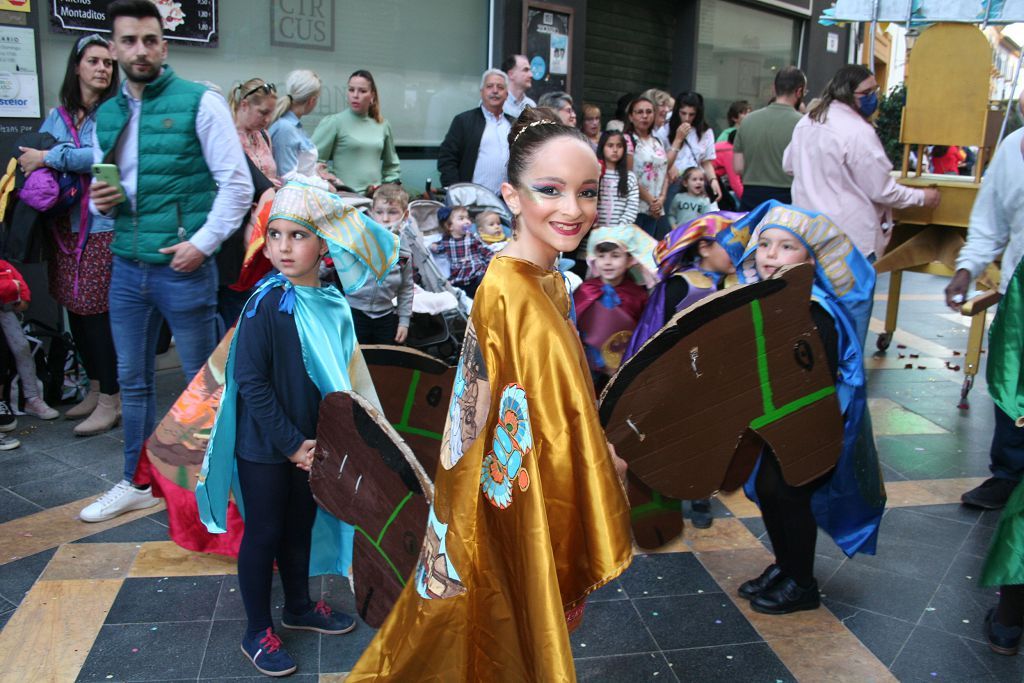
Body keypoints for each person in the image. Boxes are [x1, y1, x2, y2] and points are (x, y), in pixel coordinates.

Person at [347, 106, 631, 683]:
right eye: (550, 190)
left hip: (489, 482)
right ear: (512, 194)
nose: (572, 209)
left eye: (587, 191)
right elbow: (555, 419)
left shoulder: (532, 276)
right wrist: (603, 464)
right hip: (508, 492)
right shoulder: (520, 290)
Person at [195, 176, 400, 677]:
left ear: (323, 244)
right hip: (267, 446)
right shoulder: (268, 303)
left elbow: (342, 376)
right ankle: (256, 629)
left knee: (300, 527)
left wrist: (331, 441)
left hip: (312, 446)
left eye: (298, 235)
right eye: (276, 235)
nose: (283, 247)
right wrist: (291, 444)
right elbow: (250, 380)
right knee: (264, 532)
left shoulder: (330, 304)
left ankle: (300, 607)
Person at [80, 0, 254, 523]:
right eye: (128, 41)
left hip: (183, 268)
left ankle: (217, 493)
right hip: (127, 267)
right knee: (132, 381)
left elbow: (237, 184)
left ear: (164, 44)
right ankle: (136, 482)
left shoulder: (200, 102)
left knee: (203, 388)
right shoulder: (108, 114)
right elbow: (104, 189)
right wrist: (97, 201)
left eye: (149, 40)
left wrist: (202, 242)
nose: (139, 50)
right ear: (113, 49)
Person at [730, 201, 883, 615]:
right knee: (768, 490)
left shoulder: (816, 310)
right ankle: (785, 565)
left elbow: (818, 377)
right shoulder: (766, 299)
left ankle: (802, 583)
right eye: (764, 245)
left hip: (807, 427)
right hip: (775, 424)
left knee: (791, 496)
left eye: (785, 247)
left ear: (810, 260)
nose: (770, 255)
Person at [783, 64, 940, 345]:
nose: (874, 97)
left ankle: (817, 379)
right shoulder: (857, 131)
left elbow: (789, 165)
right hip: (850, 243)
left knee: (814, 318)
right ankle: (846, 383)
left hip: (807, 235)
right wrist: (922, 198)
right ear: (848, 93)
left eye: (875, 91)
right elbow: (882, 190)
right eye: (867, 92)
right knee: (850, 327)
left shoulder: (807, 122)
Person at [17, 33, 119, 433]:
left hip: (102, 225)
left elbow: (102, 156)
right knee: (75, 310)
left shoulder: (113, 113)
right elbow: (31, 155)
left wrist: (52, 157)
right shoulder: (58, 115)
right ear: (77, 66)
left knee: (97, 314)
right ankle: (95, 389)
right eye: (93, 61)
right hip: (64, 228)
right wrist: (44, 159)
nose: (101, 69)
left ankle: (112, 398)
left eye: (107, 63)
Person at [625, 214, 739, 528]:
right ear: (703, 247)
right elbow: (652, 332)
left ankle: (700, 491)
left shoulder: (739, 283)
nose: (740, 254)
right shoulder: (678, 286)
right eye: (731, 246)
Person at [946, 121, 1024, 510]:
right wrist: (967, 269)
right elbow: (990, 221)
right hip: (1019, 292)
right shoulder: (1012, 149)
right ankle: (1008, 474)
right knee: (1009, 383)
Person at [574, 227, 649, 391]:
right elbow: (573, 324)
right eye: (601, 256)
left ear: (629, 260)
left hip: (622, 366)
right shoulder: (585, 290)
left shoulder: (638, 296)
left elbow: (643, 331)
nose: (607, 262)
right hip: (587, 364)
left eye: (615, 256)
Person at [311, 70, 400, 195]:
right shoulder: (334, 122)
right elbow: (313, 160)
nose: (355, 95)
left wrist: (389, 189)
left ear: (372, 95)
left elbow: (391, 166)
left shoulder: (383, 125)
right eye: (351, 90)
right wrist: (332, 180)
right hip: (344, 197)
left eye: (362, 91)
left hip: (375, 200)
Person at [347, 183, 414, 344]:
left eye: (392, 212)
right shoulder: (359, 240)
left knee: (383, 362)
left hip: (385, 315)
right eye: (379, 212)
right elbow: (332, 264)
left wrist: (404, 321)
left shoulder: (403, 251)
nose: (385, 218)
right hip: (353, 311)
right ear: (371, 213)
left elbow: (406, 287)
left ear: (405, 215)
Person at [734, 66, 806, 211]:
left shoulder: (748, 120)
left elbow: (738, 167)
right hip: (787, 197)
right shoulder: (803, 125)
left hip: (751, 195)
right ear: (799, 91)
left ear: (774, 88)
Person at [0, 258, 59, 423]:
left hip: (4, 308)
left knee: (21, 347)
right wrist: (10, 288)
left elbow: (14, 276)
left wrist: (22, 294)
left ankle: (32, 398)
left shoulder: (3, 264)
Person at [437, 69, 514, 194]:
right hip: (471, 200)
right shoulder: (464, 121)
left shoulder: (514, 124)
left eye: (500, 87)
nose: (495, 91)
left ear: (506, 94)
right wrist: (456, 192)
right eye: (489, 86)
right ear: (481, 92)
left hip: (506, 201)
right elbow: (447, 159)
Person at [626, 96, 673, 239]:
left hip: (655, 208)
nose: (644, 116)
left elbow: (664, 171)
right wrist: (651, 201)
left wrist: (661, 199)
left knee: (647, 251)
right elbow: (629, 175)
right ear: (631, 116)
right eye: (639, 112)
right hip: (635, 206)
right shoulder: (628, 140)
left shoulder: (657, 141)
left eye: (649, 112)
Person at [667, 91, 720, 206]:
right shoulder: (666, 127)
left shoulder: (705, 132)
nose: (687, 118)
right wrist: (678, 138)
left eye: (692, 114)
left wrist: (713, 180)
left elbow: (706, 162)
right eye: (683, 113)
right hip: (674, 183)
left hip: (696, 183)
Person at [430, 205, 492, 298]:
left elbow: (484, 250)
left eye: (468, 218)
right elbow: (438, 249)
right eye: (461, 219)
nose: (467, 221)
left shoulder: (472, 237)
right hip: (460, 278)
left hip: (477, 273)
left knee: (486, 282)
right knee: (454, 291)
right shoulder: (446, 241)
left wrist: (493, 259)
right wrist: (433, 246)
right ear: (449, 226)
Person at [268, 69, 322, 177]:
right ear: (312, 100)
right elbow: (287, 176)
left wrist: (315, 170)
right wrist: (324, 185)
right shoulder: (285, 128)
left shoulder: (294, 127)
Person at [229, 78, 279, 186]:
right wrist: (264, 185)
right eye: (263, 112)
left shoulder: (263, 135)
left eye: (271, 113)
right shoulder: (227, 137)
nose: (267, 119)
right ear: (244, 105)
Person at [596, 130, 639, 226]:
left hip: (619, 234)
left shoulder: (630, 178)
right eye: (610, 145)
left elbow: (632, 208)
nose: (615, 150)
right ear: (602, 147)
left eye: (619, 146)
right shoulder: (594, 174)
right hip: (595, 232)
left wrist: (619, 230)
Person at [501, 53, 536, 118]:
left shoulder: (531, 105)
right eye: (525, 70)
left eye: (530, 70)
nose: (531, 75)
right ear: (511, 74)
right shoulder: (496, 103)